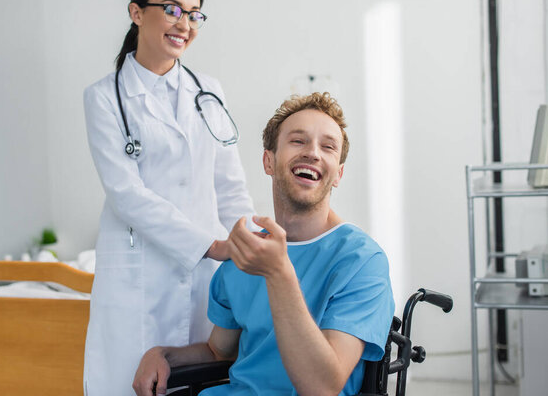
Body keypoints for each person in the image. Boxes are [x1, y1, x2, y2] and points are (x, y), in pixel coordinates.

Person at [132, 92, 395, 396]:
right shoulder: (246, 256)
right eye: (298, 141)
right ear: (268, 161)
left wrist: (279, 274)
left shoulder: (361, 261)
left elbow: (322, 387)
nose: (313, 153)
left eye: (328, 147)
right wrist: (163, 355)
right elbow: (219, 352)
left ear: (338, 173)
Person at [82, 0, 255, 394]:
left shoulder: (208, 91)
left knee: (200, 382)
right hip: (137, 281)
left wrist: (251, 243)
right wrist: (210, 245)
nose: (185, 24)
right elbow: (127, 195)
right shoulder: (104, 97)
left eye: (193, 14)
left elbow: (230, 187)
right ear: (136, 12)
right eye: (172, 9)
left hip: (203, 285)